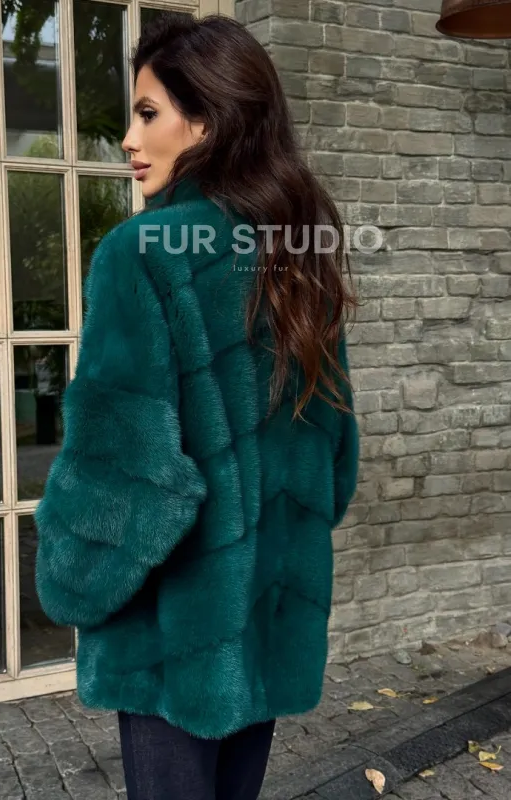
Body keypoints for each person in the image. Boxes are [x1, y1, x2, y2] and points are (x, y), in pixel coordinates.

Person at [34, 12, 359, 800]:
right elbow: (335, 459)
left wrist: (71, 573)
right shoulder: (299, 254)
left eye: (148, 113)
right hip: (265, 619)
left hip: (175, 637)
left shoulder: (141, 255)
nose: (129, 139)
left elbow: (126, 472)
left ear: (206, 121)